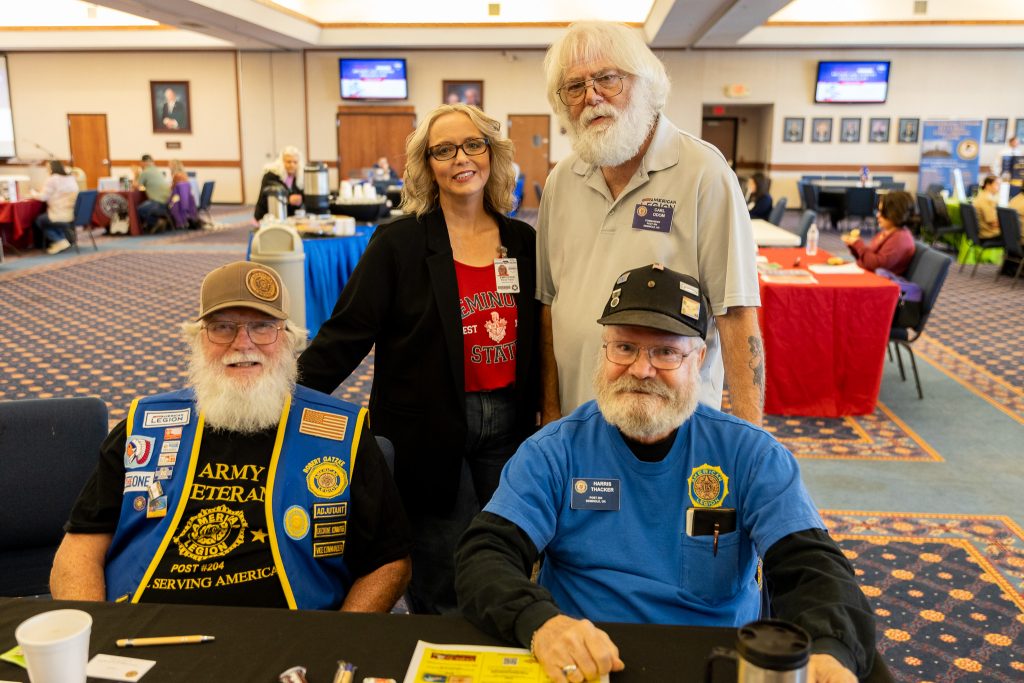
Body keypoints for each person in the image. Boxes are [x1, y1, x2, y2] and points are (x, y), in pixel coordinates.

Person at [456, 263, 876, 683]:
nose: (641, 369)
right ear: (604, 350)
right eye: (624, 348)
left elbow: (812, 565)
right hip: (586, 662)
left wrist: (830, 650)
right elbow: (484, 555)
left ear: (699, 360)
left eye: (665, 352)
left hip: (712, 662)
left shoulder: (751, 455)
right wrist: (540, 624)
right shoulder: (555, 451)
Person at [50, 261, 412, 611]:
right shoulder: (144, 425)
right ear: (197, 338)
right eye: (222, 327)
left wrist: (336, 643)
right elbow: (80, 544)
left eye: (262, 326)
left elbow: (390, 562)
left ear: (289, 339)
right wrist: (92, 636)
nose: (243, 343)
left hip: (290, 639)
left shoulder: (341, 433)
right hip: (139, 633)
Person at [297, 104, 539, 615]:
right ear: (427, 166)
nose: (461, 159)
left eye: (473, 145)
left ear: (492, 155)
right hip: (429, 428)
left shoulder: (522, 242)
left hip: (509, 423)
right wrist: (280, 396)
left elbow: (542, 336)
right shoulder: (398, 243)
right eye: (444, 150)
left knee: (508, 551)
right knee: (440, 569)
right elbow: (346, 335)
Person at [535, 21, 764, 429]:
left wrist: (751, 446)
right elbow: (550, 307)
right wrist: (551, 415)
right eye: (574, 87)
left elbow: (737, 313)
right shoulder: (562, 180)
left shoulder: (703, 173)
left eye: (607, 79)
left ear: (645, 84)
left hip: (672, 427)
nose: (592, 97)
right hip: (578, 426)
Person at [840, 191, 917, 274]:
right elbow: (867, 260)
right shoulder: (887, 232)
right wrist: (854, 246)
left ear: (895, 213)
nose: (878, 215)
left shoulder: (900, 238)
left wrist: (858, 244)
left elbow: (875, 265)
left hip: (881, 282)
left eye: (882, 212)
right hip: (869, 275)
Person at [30, 160, 79, 255]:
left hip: (58, 214)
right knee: (46, 218)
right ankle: (62, 240)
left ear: (51, 169)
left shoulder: (52, 179)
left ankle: (59, 240)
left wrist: (32, 193)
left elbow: (43, 197)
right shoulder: (71, 178)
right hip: (71, 213)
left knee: (40, 220)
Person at [254, 146, 304, 221]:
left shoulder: (299, 177)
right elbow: (268, 196)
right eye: (289, 162)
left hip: (289, 217)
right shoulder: (271, 175)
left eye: (295, 162)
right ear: (281, 162)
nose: (292, 165)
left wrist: (301, 199)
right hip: (267, 216)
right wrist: (288, 199)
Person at [134, 154, 172, 233]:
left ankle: (156, 222)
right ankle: (159, 221)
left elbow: (136, 186)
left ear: (143, 163)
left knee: (139, 209)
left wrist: (136, 173)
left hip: (158, 203)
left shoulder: (145, 172)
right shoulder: (157, 170)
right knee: (145, 205)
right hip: (168, 202)